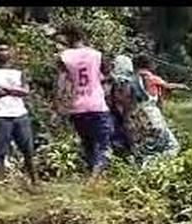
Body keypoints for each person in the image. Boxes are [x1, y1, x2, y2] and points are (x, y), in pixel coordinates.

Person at [56, 23, 111, 176]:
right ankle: (95, 177)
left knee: (88, 145)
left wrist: (59, 105)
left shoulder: (64, 57)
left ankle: (91, 173)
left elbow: (61, 84)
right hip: (97, 105)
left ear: (69, 38)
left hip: (77, 107)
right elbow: (106, 77)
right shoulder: (97, 55)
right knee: (103, 145)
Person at [108, 55, 179, 165]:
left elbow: (120, 107)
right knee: (172, 147)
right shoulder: (148, 80)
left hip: (135, 125)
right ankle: (156, 168)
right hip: (153, 119)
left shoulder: (116, 85)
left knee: (141, 155)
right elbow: (162, 98)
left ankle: (147, 169)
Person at [0, 38, 37, 184]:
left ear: (11, 51)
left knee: (28, 149)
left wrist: (7, 90)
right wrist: (14, 90)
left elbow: (26, 90)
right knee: (1, 151)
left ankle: (35, 180)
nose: (3, 53)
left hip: (20, 113)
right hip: (0, 114)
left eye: (6, 49)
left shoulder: (18, 69)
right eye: (0, 50)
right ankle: (1, 182)